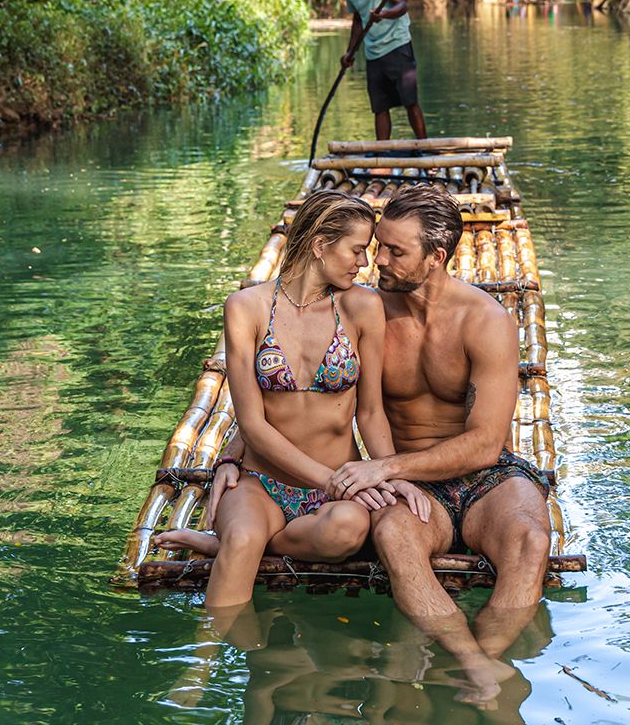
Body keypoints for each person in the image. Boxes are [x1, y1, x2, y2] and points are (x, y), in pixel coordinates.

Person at [325, 185, 553, 699]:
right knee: (395, 540)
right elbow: (315, 385)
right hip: (409, 481)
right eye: (378, 246)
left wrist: (384, 471)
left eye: (394, 252)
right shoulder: (366, 311)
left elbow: (485, 445)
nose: (376, 261)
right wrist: (390, 471)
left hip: (486, 477)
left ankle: (480, 661)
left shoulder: (485, 321)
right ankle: (475, 667)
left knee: (531, 540)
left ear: (437, 257)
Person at [153, 190, 429, 610]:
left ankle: (228, 547)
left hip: (337, 489)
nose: (364, 263)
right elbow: (253, 425)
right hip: (261, 483)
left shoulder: (362, 306)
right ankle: (199, 665)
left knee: (348, 533)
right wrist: (327, 479)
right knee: (245, 534)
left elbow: (370, 412)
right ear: (320, 245)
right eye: (357, 250)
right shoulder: (247, 307)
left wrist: (391, 473)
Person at [334, 0, 427, 142]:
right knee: (380, 107)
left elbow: (401, 6)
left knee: (410, 101)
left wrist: (383, 14)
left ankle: (426, 149)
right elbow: (358, 20)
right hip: (373, 52)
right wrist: (350, 52)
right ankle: (382, 156)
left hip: (397, 45)